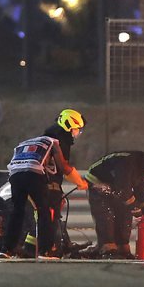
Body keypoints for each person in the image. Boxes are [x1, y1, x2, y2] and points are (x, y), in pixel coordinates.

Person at [0, 135, 88, 259]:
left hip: (15, 175)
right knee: (45, 212)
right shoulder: (53, 142)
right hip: (33, 173)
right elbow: (63, 167)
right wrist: (80, 182)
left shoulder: (24, 143)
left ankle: (7, 249)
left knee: (17, 212)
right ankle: (45, 251)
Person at [84, 151, 144, 259]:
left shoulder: (142, 169)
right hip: (98, 181)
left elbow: (142, 190)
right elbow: (123, 189)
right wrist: (136, 209)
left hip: (115, 184)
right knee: (106, 214)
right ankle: (107, 247)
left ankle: (122, 247)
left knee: (125, 214)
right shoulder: (126, 163)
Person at [34, 109, 89, 256]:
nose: (78, 133)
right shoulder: (60, 140)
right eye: (78, 129)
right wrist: (80, 182)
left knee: (46, 216)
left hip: (40, 182)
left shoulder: (49, 135)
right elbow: (64, 167)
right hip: (48, 184)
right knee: (51, 215)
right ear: (70, 125)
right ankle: (48, 249)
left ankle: (34, 248)